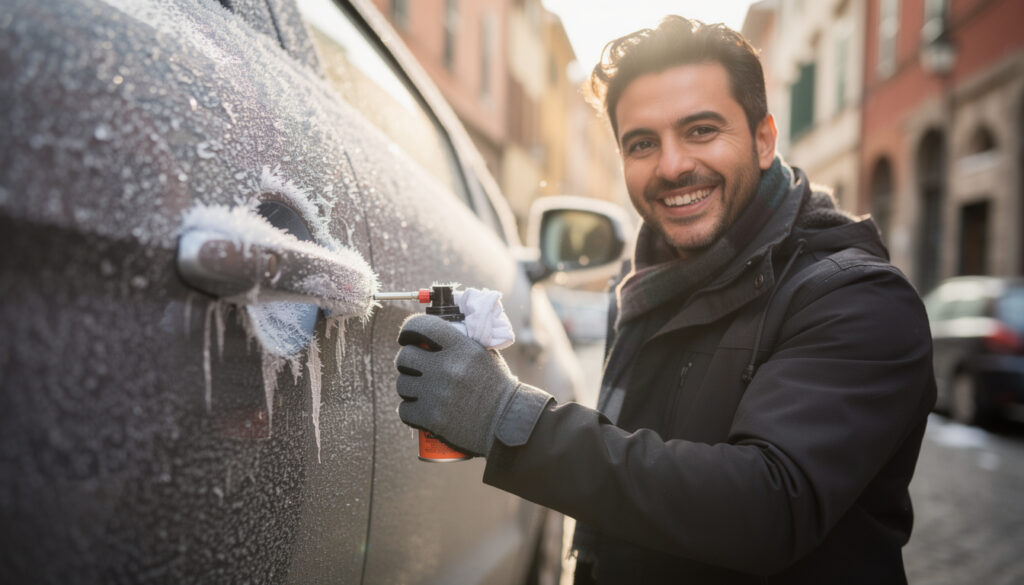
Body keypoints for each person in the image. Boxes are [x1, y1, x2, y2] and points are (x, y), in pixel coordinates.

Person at [394, 15, 936, 585]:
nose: (672, 166)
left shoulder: (857, 296)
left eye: (701, 130)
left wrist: (509, 420)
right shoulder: (645, 285)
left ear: (764, 140)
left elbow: (769, 508)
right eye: (642, 144)